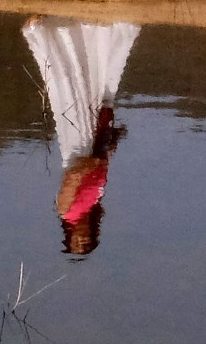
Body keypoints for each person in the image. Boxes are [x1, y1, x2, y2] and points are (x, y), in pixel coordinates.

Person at [22, 18, 139, 255]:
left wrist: (93, 161)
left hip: (78, 146)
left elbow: (72, 175)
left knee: (68, 88)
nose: (82, 240)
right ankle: (94, 32)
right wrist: (108, 148)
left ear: (69, 235)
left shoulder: (66, 210)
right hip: (94, 146)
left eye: (76, 243)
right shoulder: (95, 206)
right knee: (96, 86)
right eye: (85, 244)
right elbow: (97, 175)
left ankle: (40, 33)